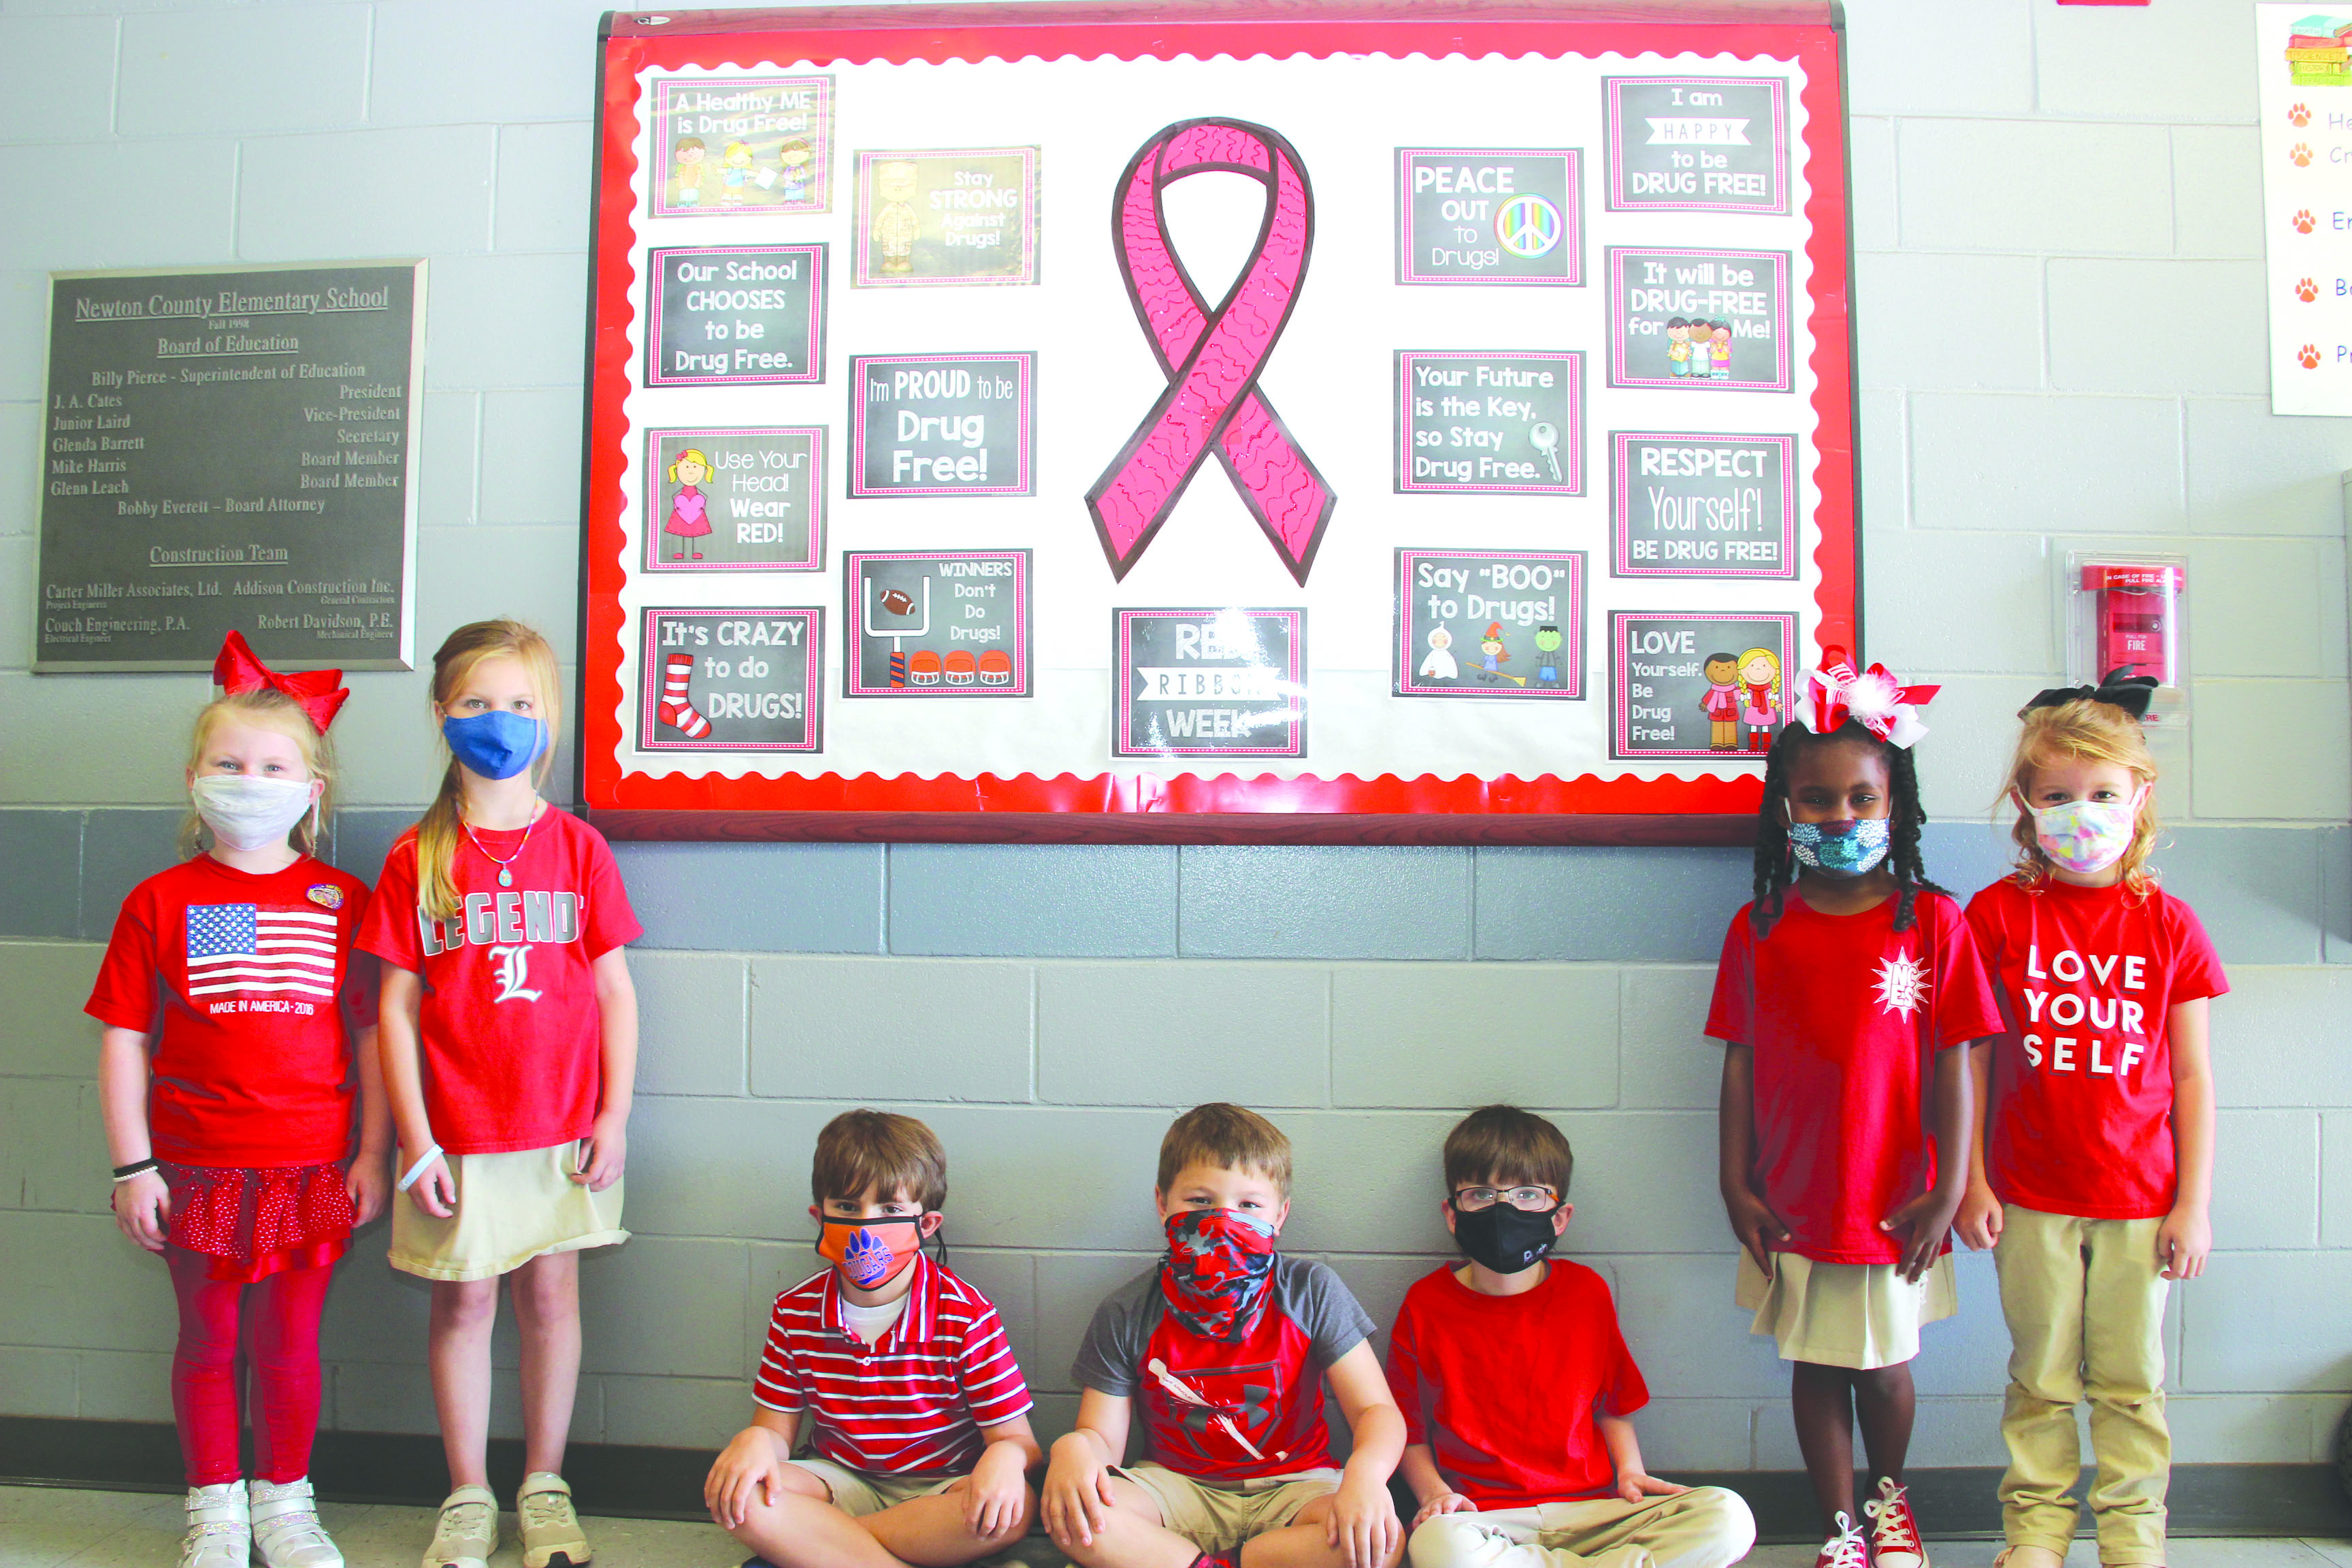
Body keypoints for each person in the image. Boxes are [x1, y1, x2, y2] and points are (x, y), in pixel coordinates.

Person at [87, 632, 385, 1568]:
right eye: (228, 761)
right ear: (193, 776)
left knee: (291, 1346)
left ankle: (284, 1506)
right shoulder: (159, 900)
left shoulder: (345, 898)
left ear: (313, 789)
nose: (247, 779)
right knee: (210, 1339)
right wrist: (134, 1165)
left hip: (312, 1166)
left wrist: (372, 1154)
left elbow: (375, 1038)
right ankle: (213, 1504)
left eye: (272, 764)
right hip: (195, 1167)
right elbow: (124, 1039)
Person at [1709, 651, 2002, 1568]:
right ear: (1784, 807)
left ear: (1893, 804)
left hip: (1895, 1193)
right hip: (1794, 1193)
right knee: (1814, 1361)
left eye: (1861, 801)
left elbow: (1961, 1057)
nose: (1840, 817)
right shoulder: (1759, 927)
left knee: (1882, 1361)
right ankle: (1840, 1533)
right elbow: (1739, 1066)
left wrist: (1950, 1186)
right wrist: (1734, 1184)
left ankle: (1888, 1504)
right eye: (1817, 800)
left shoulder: (1931, 923)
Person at [359, 619, 642, 1568]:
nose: (500, 722)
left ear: (548, 718)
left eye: (520, 704)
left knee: (552, 1297)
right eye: (477, 703)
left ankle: (545, 1485)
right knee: (466, 1306)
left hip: (563, 1130)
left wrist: (614, 1116)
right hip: (458, 1134)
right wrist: (416, 1139)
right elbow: (392, 1012)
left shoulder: (578, 847)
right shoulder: (416, 858)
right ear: (442, 715)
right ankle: (469, 1493)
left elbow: (613, 993)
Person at [1958, 674, 2224, 1568]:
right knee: (2039, 1377)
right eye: (2059, 796)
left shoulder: (2169, 925)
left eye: (2104, 794)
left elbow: (2191, 1074)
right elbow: (1976, 1060)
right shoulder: (1995, 918)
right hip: (2029, 1195)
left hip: (2141, 1199)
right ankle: (2033, 1537)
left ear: (2139, 797)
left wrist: (2194, 1203)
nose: (2083, 813)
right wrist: (1974, 1181)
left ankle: (2131, 1541)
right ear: (2026, 806)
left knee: (2130, 1383)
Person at [1044, 1103, 1406, 1568]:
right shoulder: (1128, 1310)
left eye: (1249, 1205)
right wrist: (1073, 1447)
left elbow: (1376, 1410)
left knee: (1384, 1542)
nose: (1222, 1220)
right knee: (1079, 1521)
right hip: (1176, 1489)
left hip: (1297, 1487)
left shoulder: (1310, 1291)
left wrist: (1366, 1478)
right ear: (1162, 1204)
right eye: (1199, 1201)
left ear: (1280, 1215)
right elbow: (1101, 1440)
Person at [1392, 1107, 1755, 1568]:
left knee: (1729, 1515)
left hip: (1597, 1511)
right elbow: (1407, 1428)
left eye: (1528, 1194)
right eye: (1481, 1193)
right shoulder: (1425, 1303)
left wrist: (1632, 1473)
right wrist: (1435, 1496)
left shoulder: (1587, 1292)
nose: (1505, 1209)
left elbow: (1613, 1406)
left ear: (1560, 1217)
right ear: (1452, 1214)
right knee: (1436, 1547)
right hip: (1488, 1517)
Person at [704, 1110, 1041, 1568]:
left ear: (927, 1225)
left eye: (890, 1210)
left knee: (1014, 1505)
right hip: (838, 1481)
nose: (865, 1226)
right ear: (818, 1216)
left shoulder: (966, 1313)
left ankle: (826, 1549)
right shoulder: (794, 1310)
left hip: (942, 1488)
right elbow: (774, 1432)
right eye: (846, 1208)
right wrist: (755, 1443)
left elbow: (1019, 1442)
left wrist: (1004, 1459)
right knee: (745, 1498)